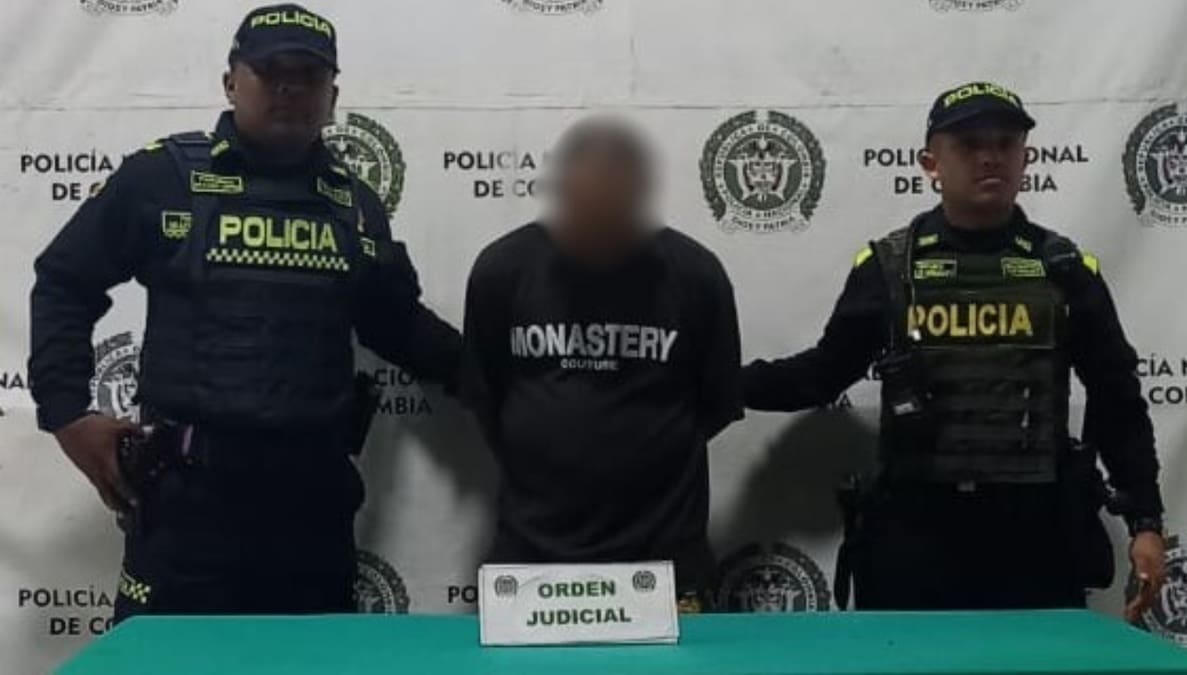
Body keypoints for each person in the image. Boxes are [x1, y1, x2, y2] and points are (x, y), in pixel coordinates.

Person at [28, 3, 460, 621]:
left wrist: (497, 373)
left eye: (308, 76)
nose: (289, 88)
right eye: (271, 72)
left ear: (333, 97)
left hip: (312, 509)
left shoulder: (356, 206)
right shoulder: (162, 178)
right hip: (186, 506)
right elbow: (63, 283)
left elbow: (396, 325)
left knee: (307, 663)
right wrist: (67, 414)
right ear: (231, 82)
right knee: (163, 665)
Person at [742, 82, 1166, 619]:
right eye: (969, 144)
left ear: (1026, 158)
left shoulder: (1064, 270)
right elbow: (821, 375)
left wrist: (1145, 521)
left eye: (1005, 143)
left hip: (1034, 531)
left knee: (1033, 660)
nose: (990, 157)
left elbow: (1117, 398)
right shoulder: (890, 268)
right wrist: (715, 382)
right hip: (915, 532)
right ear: (930, 163)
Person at [460, 117, 743, 610]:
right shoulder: (502, 270)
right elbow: (489, 400)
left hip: (665, 560)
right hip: (533, 558)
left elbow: (714, 405)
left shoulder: (696, 274)